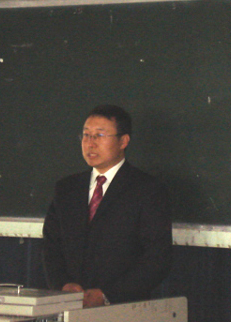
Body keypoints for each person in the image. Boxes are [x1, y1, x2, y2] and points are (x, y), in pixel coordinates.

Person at [42, 104, 172, 307]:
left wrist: (107, 295)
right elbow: (51, 245)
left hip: (123, 307)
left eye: (100, 135)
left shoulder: (147, 190)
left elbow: (157, 258)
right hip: (70, 305)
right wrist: (62, 284)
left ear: (123, 141)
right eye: (86, 135)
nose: (90, 143)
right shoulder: (66, 189)